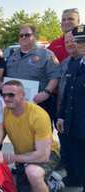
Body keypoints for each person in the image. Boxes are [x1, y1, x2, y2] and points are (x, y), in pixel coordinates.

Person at [2, 80, 60, 192]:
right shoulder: (4, 112)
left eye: (11, 95)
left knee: (33, 173)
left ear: (23, 95)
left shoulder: (38, 115)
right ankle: (50, 181)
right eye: (4, 95)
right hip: (24, 156)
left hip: (48, 153)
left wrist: (12, 158)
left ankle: (44, 178)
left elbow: (43, 156)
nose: (6, 98)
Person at [6, 24, 60, 122]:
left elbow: (55, 76)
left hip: (38, 102)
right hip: (16, 103)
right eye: (21, 35)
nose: (23, 37)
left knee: (40, 134)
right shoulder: (12, 55)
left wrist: (46, 93)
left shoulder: (46, 54)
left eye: (27, 35)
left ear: (34, 36)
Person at [57, 25, 85, 192]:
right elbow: (68, 92)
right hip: (74, 122)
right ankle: (77, 180)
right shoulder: (76, 63)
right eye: (78, 41)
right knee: (78, 157)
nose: (80, 44)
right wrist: (61, 116)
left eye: (83, 41)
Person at [57, 31, 78, 170]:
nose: (69, 44)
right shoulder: (65, 63)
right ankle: (73, 176)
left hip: (79, 113)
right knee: (69, 146)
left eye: (73, 41)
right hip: (66, 112)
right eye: (66, 42)